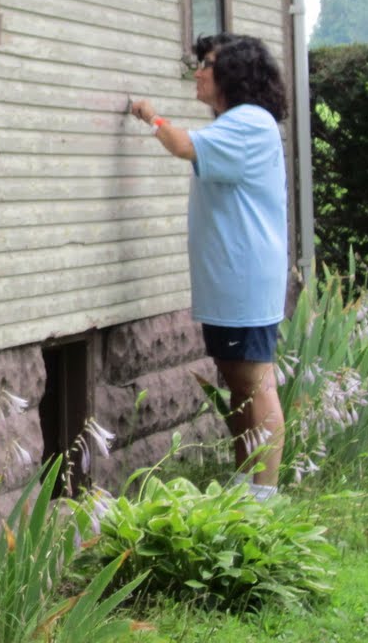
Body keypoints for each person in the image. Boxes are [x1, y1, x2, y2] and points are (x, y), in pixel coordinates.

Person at [129, 32, 289, 500]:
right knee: (239, 382)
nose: (198, 72)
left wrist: (148, 114)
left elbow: (181, 144)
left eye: (208, 64)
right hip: (230, 285)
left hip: (244, 284)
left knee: (254, 384)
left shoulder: (248, 124)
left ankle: (263, 498)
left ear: (232, 75)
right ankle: (247, 486)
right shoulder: (237, 124)